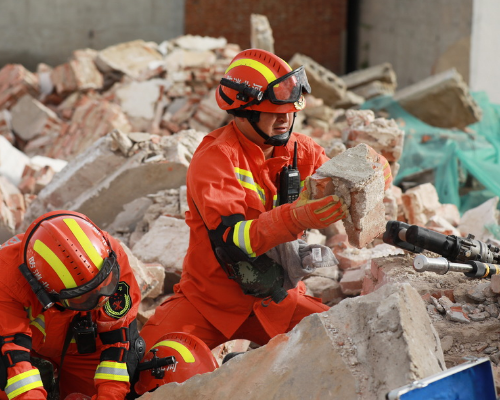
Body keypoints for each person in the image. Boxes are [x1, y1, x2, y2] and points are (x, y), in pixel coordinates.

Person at [140, 48, 392, 353]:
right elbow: (233, 240)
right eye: (274, 112)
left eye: (290, 110)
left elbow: (343, 181)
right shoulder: (216, 158)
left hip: (278, 297)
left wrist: (372, 173)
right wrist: (295, 218)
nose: (286, 119)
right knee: (151, 364)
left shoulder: (303, 151)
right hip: (210, 301)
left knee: (349, 345)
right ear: (243, 111)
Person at [0, 210, 144, 400]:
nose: (101, 301)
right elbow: (14, 359)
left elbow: (119, 341)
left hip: (85, 351)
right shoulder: (5, 281)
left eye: (106, 285)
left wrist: (110, 395)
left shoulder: (109, 254)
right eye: (84, 299)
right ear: (46, 292)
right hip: (29, 348)